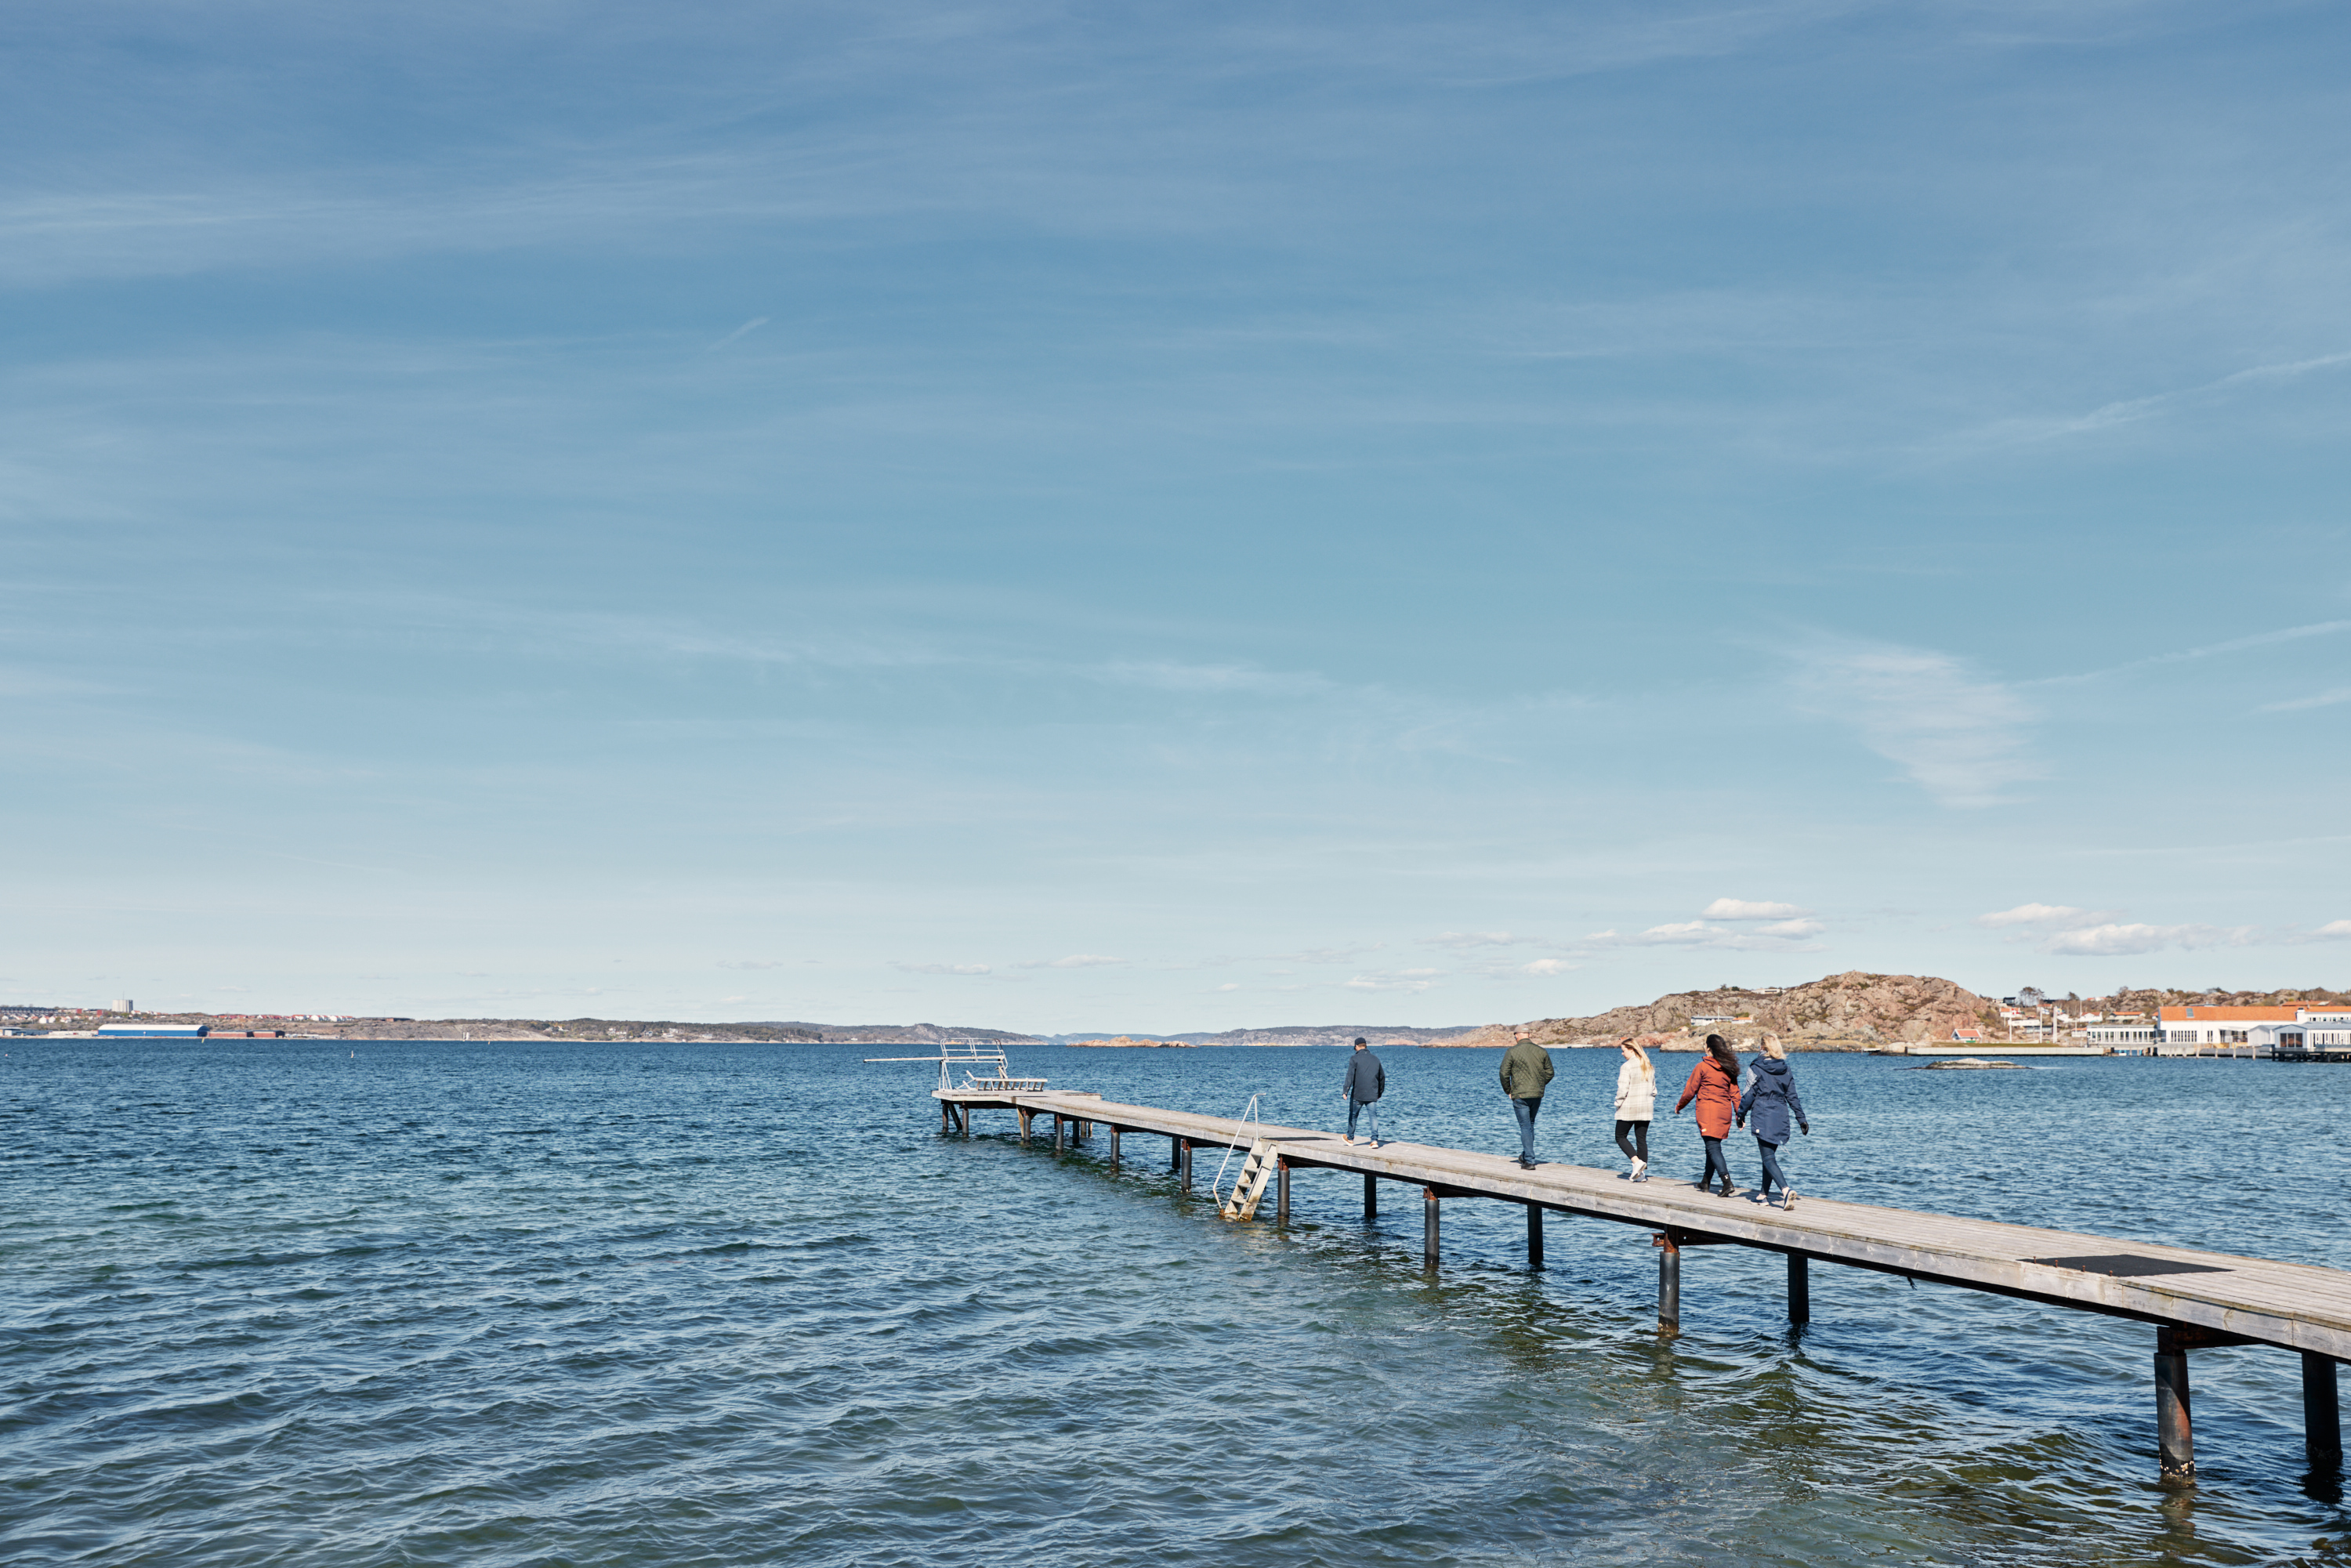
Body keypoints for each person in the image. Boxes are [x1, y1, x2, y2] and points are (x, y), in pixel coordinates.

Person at [1736, 1034, 1809, 1208]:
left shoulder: (1755, 1067)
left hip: (1763, 1116)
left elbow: (1748, 1096)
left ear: (1763, 1047)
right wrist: (1801, 1119)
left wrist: (1740, 1115)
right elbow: (1792, 1097)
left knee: (1768, 1158)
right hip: (1781, 1116)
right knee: (1768, 1157)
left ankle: (1786, 1190)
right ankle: (1763, 1195)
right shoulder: (1785, 1068)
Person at [1673, 1034, 1744, 1197]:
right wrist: (1740, 1115)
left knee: (1713, 1148)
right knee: (1711, 1147)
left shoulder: (1702, 1067)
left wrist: (1679, 1106)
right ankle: (1705, 1182)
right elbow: (1735, 1094)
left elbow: (1690, 1090)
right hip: (1724, 1112)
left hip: (1708, 1112)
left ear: (1709, 1048)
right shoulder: (1728, 1067)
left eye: (1705, 1044)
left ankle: (1727, 1182)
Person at [1499, 1029, 1556, 1169]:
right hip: (1536, 1095)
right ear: (1529, 1035)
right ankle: (1525, 1156)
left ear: (1516, 1036)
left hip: (1520, 1095)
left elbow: (1504, 1073)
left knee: (1525, 1126)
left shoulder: (1511, 1052)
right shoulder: (1541, 1051)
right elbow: (1550, 1072)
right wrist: (1539, 1085)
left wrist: (1508, 1090)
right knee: (1530, 1125)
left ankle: (1529, 1161)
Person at [1612, 1036, 1655, 1181]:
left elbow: (1622, 1090)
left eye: (1624, 1050)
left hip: (1629, 1108)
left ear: (1631, 1050)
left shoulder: (1627, 1066)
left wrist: (1617, 1103)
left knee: (1620, 1136)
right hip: (1646, 1108)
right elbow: (1654, 1090)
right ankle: (1641, 1174)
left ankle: (1637, 1162)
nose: (1622, 1053)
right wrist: (1649, 1100)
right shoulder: (1648, 1065)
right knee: (1641, 1139)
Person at [1339, 1036, 1386, 1146]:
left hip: (1358, 1094)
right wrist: (1380, 1093)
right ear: (1365, 1046)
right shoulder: (1375, 1059)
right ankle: (1374, 1141)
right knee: (1373, 1117)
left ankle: (1350, 1139)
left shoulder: (1354, 1059)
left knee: (1353, 1116)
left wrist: (1345, 1091)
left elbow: (1350, 1075)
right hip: (1372, 1094)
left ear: (1356, 1046)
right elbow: (1382, 1077)